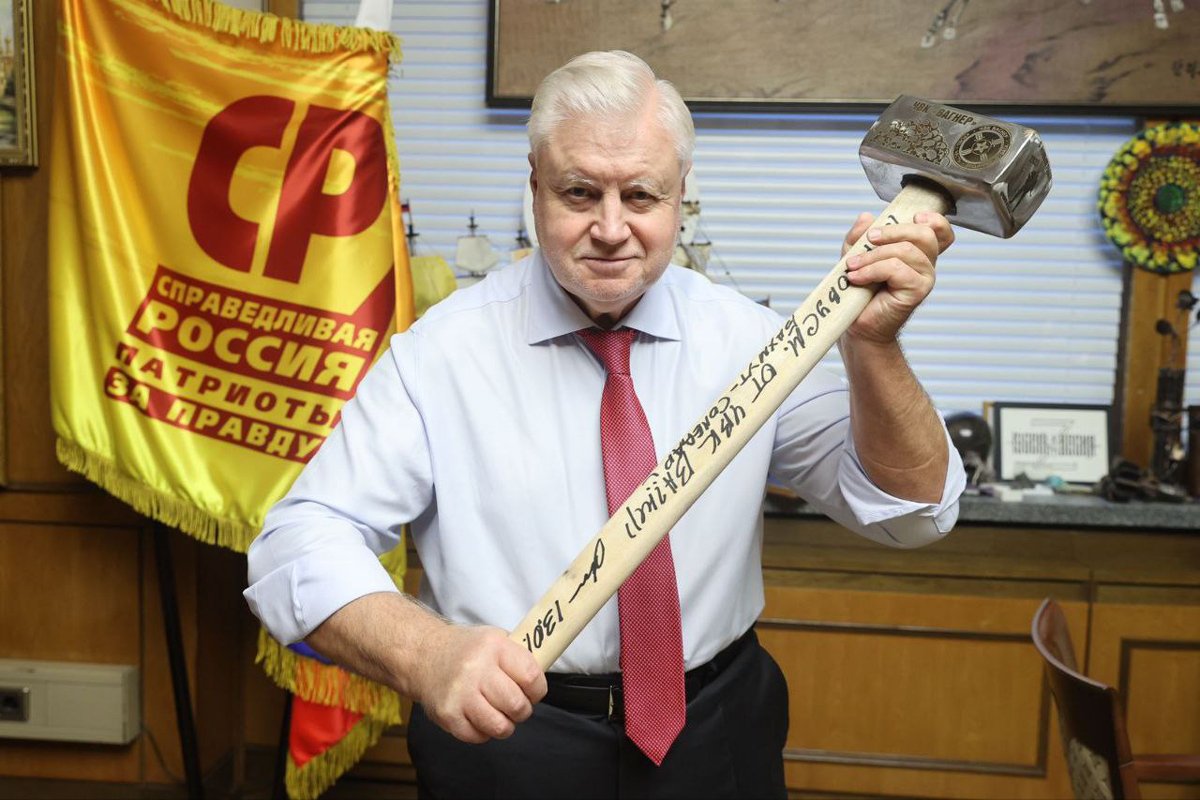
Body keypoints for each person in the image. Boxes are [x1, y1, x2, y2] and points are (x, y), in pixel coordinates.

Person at [245, 50, 966, 799]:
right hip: (510, 744)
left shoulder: (759, 345)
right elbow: (295, 546)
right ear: (534, 188)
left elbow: (914, 514)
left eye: (642, 195)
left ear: (683, 195)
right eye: (580, 192)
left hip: (717, 732)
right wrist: (428, 655)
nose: (611, 228)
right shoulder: (438, 357)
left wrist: (874, 347)